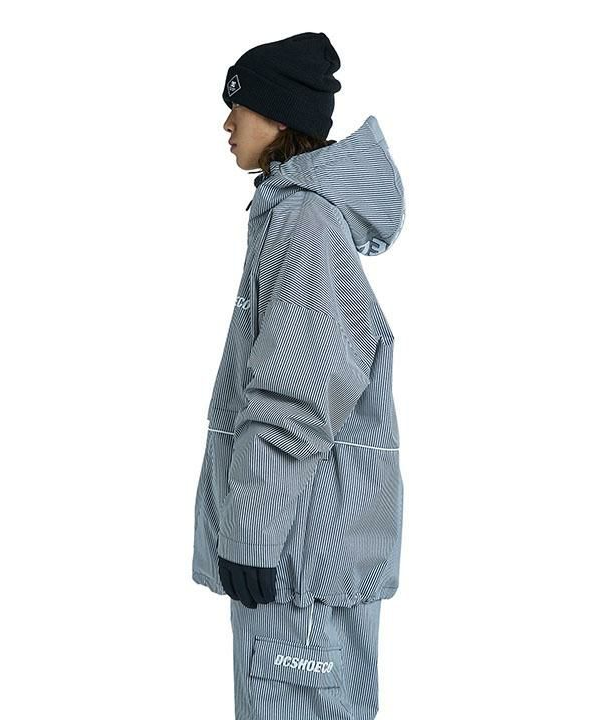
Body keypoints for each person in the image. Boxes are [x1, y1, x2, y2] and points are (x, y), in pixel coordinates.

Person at [191, 31, 406, 720]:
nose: (227, 123)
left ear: (280, 117)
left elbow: (296, 394)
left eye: (238, 106)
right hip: (308, 549)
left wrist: (252, 531)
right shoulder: (297, 217)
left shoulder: (304, 224)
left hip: (298, 556)